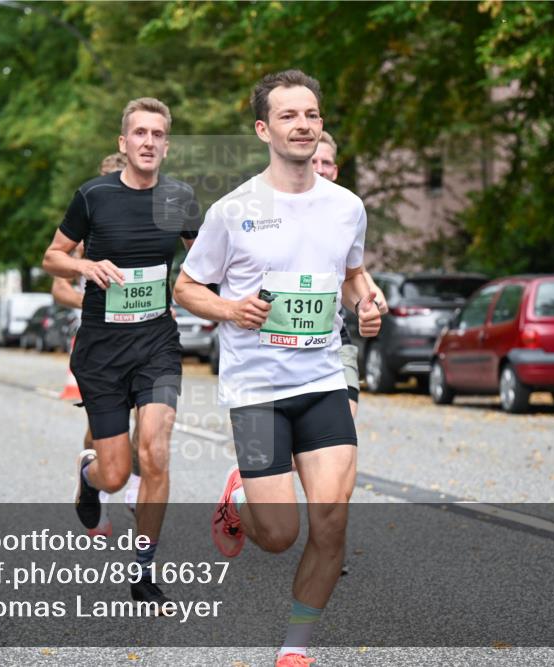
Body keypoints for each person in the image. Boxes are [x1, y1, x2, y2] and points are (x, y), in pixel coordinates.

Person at [174, 69, 382, 667]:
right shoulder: (233, 210)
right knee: (279, 535)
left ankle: (295, 647)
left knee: (332, 520)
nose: (303, 125)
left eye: (311, 115)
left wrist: (366, 304)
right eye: (289, 116)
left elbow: (349, 275)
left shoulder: (347, 207)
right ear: (264, 128)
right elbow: (186, 288)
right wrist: (230, 308)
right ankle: (240, 503)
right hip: (258, 389)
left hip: (321, 380)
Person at [42, 98, 198, 605]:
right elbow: (52, 256)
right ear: (123, 143)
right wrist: (84, 268)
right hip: (103, 351)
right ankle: (89, 480)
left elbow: (211, 259)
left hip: (156, 344)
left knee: (154, 450)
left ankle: (145, 567)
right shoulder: (93, 196)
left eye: (158, 134)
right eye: (139, 133)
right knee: (115, 473)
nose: (148, 142)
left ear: (166, 145)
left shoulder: (180, 198)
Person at [51, 152, 142, 539]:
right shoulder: (84, 226)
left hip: (142, 332)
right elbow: (59, 287)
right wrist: (90, 294)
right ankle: (96, 484)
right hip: (98, 335)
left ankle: (135, 489)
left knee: (146, 411)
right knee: (103, 422)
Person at [311, 131, 388, 416]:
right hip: (280, 342)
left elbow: (352, 270)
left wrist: (368, 299)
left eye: (326, 162)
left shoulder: (348, 211)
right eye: (313, 160)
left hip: (332, 333)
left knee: (346, 418)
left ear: (335, 170)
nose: (320, 168)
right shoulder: (272, 207)